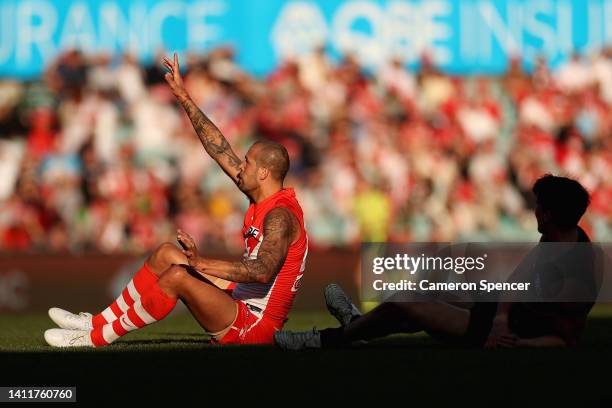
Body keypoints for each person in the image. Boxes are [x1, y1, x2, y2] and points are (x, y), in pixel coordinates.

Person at [44, 53, 308, 348]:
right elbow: (219, 148)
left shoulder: (280, 216)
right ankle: (96, 321)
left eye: (246, 163)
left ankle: (95, 338)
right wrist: (185, 97)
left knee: (177, 277)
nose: (239, 165)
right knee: (167, 254)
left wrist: (202, 263)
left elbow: (262, 271)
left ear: (263, 173)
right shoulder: (261, 194)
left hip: (255, 325)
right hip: (240, 299)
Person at [275, 175, 595, 350]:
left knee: (408, 302)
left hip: (494, 334)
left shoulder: (575, 274)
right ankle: (357, 324)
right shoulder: (559, 239)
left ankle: (322, 340)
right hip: (494, 317)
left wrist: (511, 342)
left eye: (539, 207)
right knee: (430, 294)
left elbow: (564, 339)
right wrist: (500, 316)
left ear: (549, 214)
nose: (534, 211)